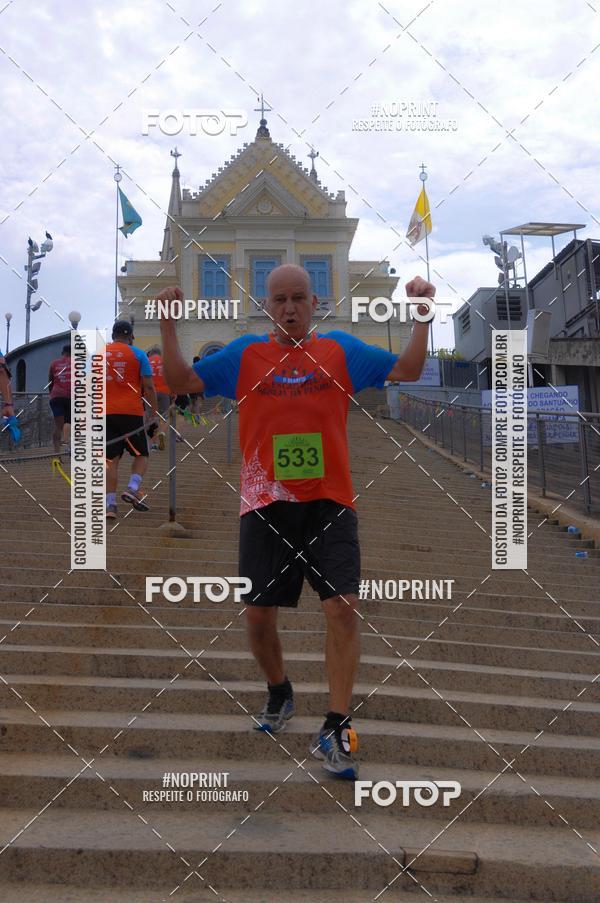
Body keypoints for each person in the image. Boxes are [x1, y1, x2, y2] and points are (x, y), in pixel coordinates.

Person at [158, 264, 433, 779]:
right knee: (258, 617)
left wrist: (421, 318)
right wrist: (170, 326)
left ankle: (336, 725)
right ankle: (280, 692)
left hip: (330, 501)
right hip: (265, 503)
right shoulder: (244, 355)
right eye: (280, 299)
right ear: (268, 306)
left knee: (343, 608)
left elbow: (408, 371)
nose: (289, 307)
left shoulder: (340, 351)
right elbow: (180, 382)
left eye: (299, 298)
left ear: (315, 303)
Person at [105, 320, 158, 519]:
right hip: (131, 412)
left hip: (104, 413)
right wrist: (153, 413)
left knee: (110, 461)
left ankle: (110, 506)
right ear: (130, 337)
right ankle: (132, 487)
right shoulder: (138, 354)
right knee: (142, 454)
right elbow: (149, 386)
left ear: (113, 335)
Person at [48, 344, 72, 455]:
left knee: (58, 426)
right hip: (71, 396)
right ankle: (69, 446)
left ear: (63, 353)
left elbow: (50, 381)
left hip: (56, 396)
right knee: (71, 422)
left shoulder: (54, 363)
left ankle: (56, 454)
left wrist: (52, 394)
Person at [147, 347, 172, 450]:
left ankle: (153, 443)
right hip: (164, 392)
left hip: (149, 392)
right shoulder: (166, 362)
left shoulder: (146, 361)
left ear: (151, 354)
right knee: (164, 417)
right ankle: (161, 432)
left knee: (151, 417)